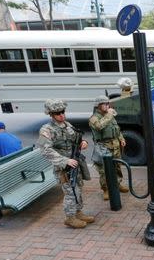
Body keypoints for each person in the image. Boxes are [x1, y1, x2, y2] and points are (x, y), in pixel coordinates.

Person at [37, 99, 94, 229]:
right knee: (70, 191)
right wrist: (64, 161)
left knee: (78, 187)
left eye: (63, 112)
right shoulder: (47, 129)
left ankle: (78, 212)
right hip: (63, 166)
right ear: (51, 114)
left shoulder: (67, 125)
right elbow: (45, 150)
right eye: (58, 113)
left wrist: (83, 142)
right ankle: (70, 217)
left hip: (75, 162)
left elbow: (75, 138)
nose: (61, 115)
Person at [89, 95, 129, 201]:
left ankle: (118, 183)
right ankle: (106, 189)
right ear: (98, 106)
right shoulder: (94, 118)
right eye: (104, 104)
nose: (107, 106)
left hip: (115, 144)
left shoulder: (109, 115)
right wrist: (109, 115)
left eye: (108, 104)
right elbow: (99, 126)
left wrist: (121, 138)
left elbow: (116, 128)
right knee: (104, 170)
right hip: (103, 146)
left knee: (117, 166)